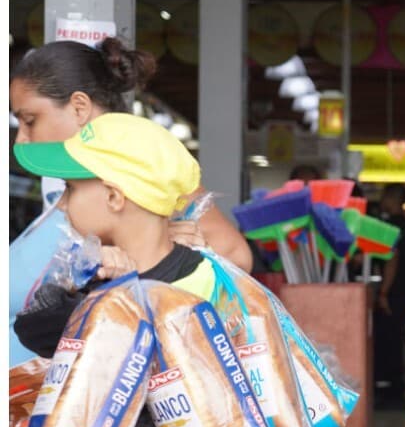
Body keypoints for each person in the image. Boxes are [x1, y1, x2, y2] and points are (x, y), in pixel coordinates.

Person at [8, 37, 251, 427]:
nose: (64, 205)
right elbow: (38, 325)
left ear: (116, 197)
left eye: (73, 190)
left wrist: (110, 286)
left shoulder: (143, 297)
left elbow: (41, 331)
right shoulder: (132, 279)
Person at [10, 37, 253, 272]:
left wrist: (155, 247)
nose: (21, 138)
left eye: (30, 120)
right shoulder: (73, 174)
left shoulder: (145, 165)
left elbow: (236, 256)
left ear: (79, 108)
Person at [373, 184, 405, 408]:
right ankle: (397, 387)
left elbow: (392, 258)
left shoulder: (390, 226)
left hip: (395, 292)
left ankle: (392, 390)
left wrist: (383, 292)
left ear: (392, 199)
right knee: (399, 339)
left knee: (389, 340)